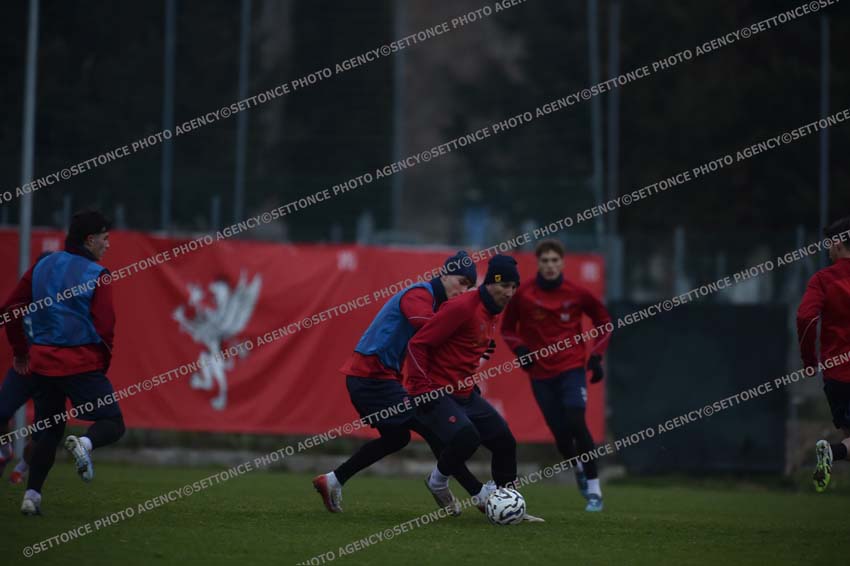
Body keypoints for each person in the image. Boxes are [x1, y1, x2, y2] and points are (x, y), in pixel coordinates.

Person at [313, 252, 491, 515]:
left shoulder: (439, 305)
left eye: (469, 286)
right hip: (370, 378)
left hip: (377, 379)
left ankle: (332, 480)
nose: (464, 290)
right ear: (444, 274)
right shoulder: (419, 294)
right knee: (430, 425)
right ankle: (476, 493)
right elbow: (428, 329)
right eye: (461, 281)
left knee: (397, 438)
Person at [2, 209, 125, 515]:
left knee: (49, 428)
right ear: (90, 239)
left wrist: (21, 351)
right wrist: (100, 365)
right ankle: (84, 445)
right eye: (105, 238)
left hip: (40, 362)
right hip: (79, 364)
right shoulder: (98, 274)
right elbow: (106, 328)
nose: (108, 244)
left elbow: (10, 309)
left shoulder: (43, 265)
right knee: (112, 422)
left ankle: (32, 496)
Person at [406, 254, 542, 522]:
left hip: (465, 393)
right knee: (467, 436)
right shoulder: (462, 307)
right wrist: (422, 388)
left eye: (514, 287)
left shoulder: (493, 312)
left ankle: (509, 505)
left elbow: (461, 353)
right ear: (491, 283)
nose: (510, 293)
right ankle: (437, 482)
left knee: (504, 441)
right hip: (435, 391)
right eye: (505, 285)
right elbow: (418, 344)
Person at [501, 239, 611, 512]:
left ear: (562, 263)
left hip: (571, 368)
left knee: (576, 421)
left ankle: (594, 490)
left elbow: (604, 322)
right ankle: (577, 467)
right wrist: (521, 350)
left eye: (554, 260)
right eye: (545, 260)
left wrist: (596, 356)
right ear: (538, 263)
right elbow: (507, 329)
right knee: (561, 434)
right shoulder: (524, 294)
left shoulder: (576, 293)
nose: (550, 265)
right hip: (540, 374)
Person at [797, 217, 850, 492]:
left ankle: (834, 452)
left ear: (839, 243)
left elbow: (805, 319)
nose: (828, 250)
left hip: (836, 376)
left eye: (829, 244)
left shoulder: (822, 280)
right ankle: (832, 452)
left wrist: (809, 361)